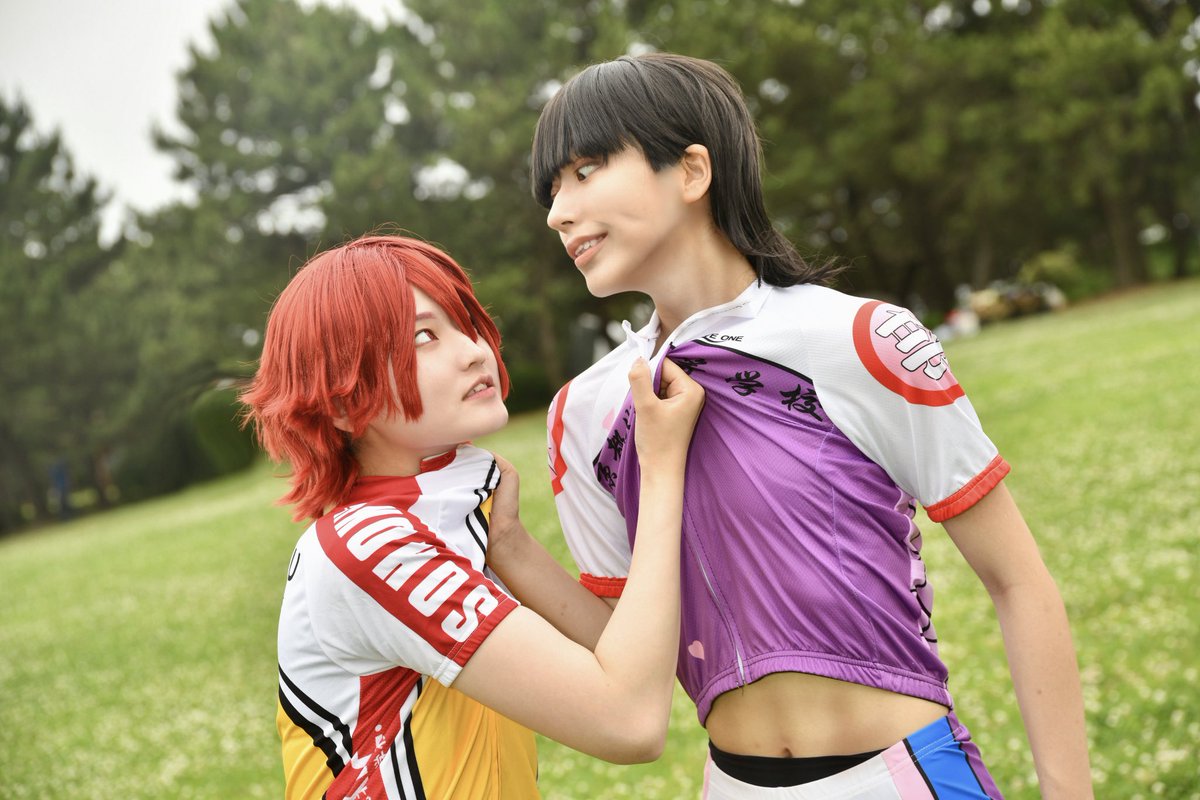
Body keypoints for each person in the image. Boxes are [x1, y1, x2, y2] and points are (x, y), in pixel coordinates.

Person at [504, 52, 1093, 798]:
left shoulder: (861, 339)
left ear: (692, 171)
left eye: (585, 170)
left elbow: (1017, 581)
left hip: (900, 775)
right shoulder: (585, 414)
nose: (557, 211)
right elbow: (627, 647)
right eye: (553, 189)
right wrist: (510, 546)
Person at [239, 233, 704, 800]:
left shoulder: (448, 508)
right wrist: (659, 468)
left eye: (465, 324)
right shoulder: (373, 544)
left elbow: (623, 662)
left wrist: (509, 544)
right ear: (340, 401)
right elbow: (629, 721)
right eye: (423, 337)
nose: (474, 350)